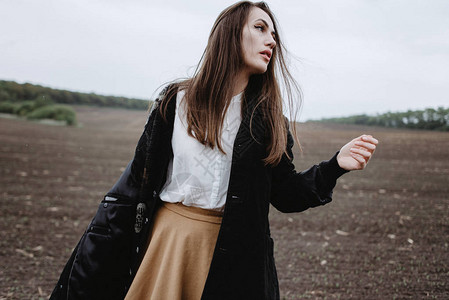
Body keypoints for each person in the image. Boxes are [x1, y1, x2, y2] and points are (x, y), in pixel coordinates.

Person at [50, 1, 378, 299]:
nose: (272, 41)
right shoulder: (175, 102)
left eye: (274, 34)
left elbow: (287, 194)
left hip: (235, 255)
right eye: (260, 28)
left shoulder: (269, 120)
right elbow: (137, 182)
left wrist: (335, 165)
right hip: (168, 244)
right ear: (230, 34)